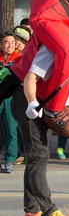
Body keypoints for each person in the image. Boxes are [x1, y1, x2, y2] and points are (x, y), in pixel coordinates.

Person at [10, 23, 69, 216]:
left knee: (37, 158)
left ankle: (31, 213)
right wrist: (31, 103)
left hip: (48, 107)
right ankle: (50, 212)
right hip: (28, 102)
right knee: (38, 156)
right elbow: (31, 77)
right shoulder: (56, 48)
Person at [1, 33, 20, 173]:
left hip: (11, 98)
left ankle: (9, 160)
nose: (10, 45)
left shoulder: (19, 58)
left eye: (12, 42)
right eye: (6, 42)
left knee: (11, 129)